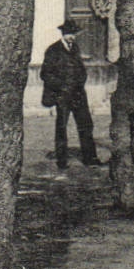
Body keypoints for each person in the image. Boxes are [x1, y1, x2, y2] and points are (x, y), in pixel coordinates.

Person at [41, 20, 102, 170]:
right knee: (61, 127)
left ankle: (90, 158)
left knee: (86, 125)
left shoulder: (75, 48)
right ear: (63, 34)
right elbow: (45, 74)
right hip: (62, 96)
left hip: (78, 95)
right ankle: (62, 161)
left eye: (73, 34)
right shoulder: (53, 50)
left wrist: (81, 80)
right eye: (69, 34)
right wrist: (61, 87)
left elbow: (81, 70)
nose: (71, 37)